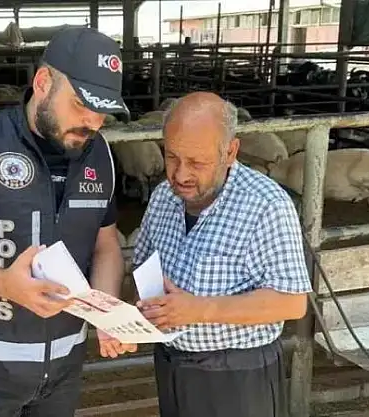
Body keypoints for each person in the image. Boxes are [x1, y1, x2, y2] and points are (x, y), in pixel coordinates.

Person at [0, 27, 136, 417]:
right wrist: (4, 284)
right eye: (80, 104)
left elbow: (105, 245)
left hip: (67, 363)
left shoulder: (100, 154)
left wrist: (107, 315)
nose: (93, 121)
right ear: (43, 82)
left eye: (103, 110)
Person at [134, 92, 313, 417]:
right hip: (172, 364)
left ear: (230, 152)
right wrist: (132, 319)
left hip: (236, 376)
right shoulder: (162, 197)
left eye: (197, 163)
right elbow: (142, 268)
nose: (180, 174)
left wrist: (199, 309)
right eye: (172, 157)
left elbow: (291, 302)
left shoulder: (266, 205)